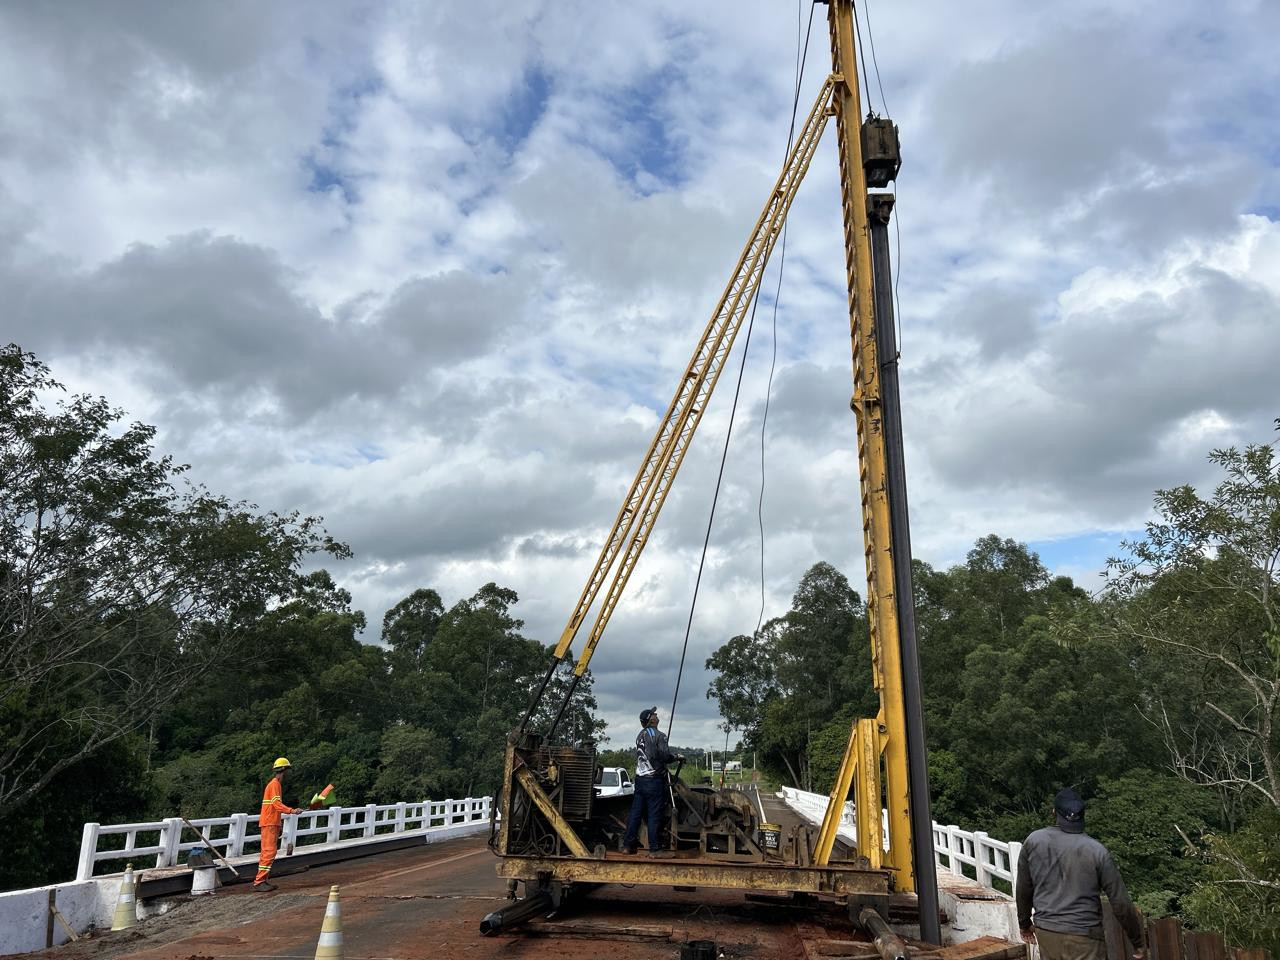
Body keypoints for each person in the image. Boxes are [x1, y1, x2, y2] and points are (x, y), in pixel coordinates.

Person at [1016, 788, 1145, 960]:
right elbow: (1120, 903)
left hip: (1047, 932)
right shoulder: (1097, 851)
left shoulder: (1033, 841)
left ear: (1054, 812)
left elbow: (1024, 888)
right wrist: (1138, 943)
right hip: (1085, 938)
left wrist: (1024, 924)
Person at [620, 706, 683, 858]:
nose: (656, 715)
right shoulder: (659, 736)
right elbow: (663, 755)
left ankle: (627, 845)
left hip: (640, 780)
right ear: (652, 719)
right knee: (654, 814)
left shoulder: (639, 735)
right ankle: (655, 849)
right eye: (654, 714)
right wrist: (676, 757)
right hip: (654, 781)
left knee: (636, 813)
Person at [254, 756, 302, 891]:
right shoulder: (274, 784)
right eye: (287, 770)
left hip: (272, 822)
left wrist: (279, 824)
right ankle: (259, 882)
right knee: (269, 852)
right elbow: (276, 804)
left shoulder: (275, 784)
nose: (288, 773)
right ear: (283, 770)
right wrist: (292, 811)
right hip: (269, 822)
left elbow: (274, 806)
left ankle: (263, 880)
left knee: (268, 852)